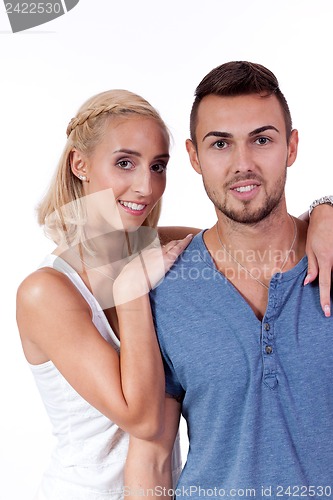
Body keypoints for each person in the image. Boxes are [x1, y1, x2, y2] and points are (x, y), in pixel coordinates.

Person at [124, 62, 333, 499]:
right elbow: (153, 456)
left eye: (262, 139)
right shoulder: (164, 290)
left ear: (291, 147)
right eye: (221, 144)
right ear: (195, 156)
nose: (243, 164)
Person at [16, 89, 194, 500]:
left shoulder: (158, 249)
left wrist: (323, 210)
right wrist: (131, 292)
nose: (146, 186)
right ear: (80, 164)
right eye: (125, 163)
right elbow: (144, 419)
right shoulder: (46, 292)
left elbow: (254, 239)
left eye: (158, 166)